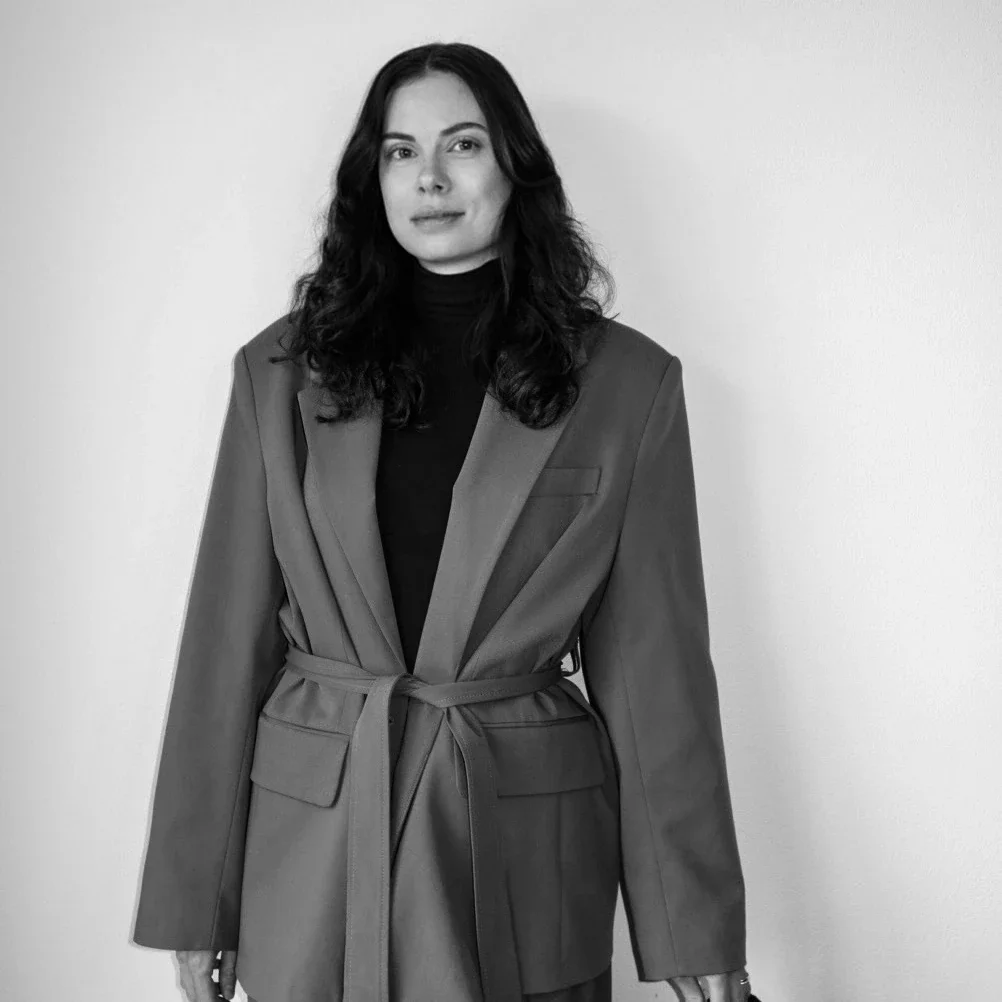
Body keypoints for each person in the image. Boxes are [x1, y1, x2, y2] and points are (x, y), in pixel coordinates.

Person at [131, 41, 753, 1002]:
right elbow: (224, 642)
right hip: (315, 843)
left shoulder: (628, 385)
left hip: (516, 835)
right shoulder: (280, 375)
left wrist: (696, 932)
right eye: (397, 150)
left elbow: (656, 677)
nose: (428, 177)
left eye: (462, 143)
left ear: (516, 164)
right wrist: (194, 900)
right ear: (369, 178)